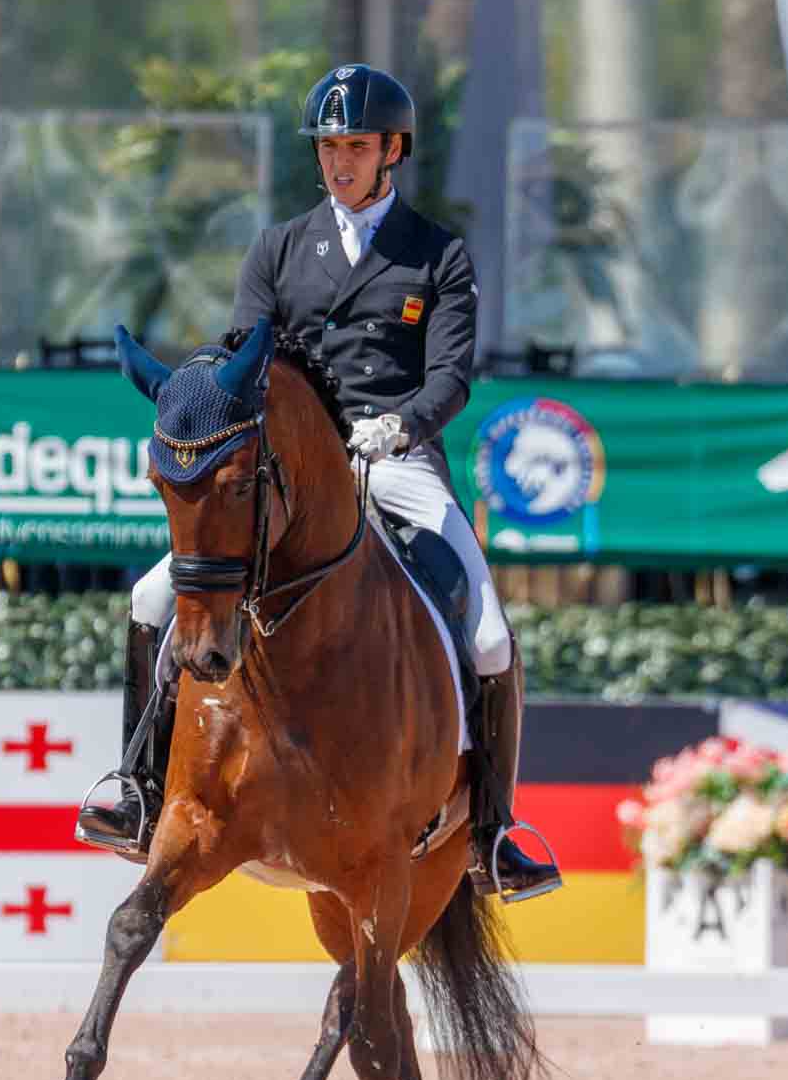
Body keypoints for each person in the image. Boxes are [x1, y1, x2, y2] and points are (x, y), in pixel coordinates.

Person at [76, 63, 561, 904]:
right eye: (330, 147)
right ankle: (135, 788)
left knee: (486, 631)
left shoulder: (436, 254)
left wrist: (402, 425)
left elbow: (451, 377)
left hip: (397, 459)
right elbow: (240, 358)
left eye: (357, 147)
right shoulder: (280, 248)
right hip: (296, 470)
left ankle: (494, 833)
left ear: (392, 151)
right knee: (153, 599)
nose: (340, 162)